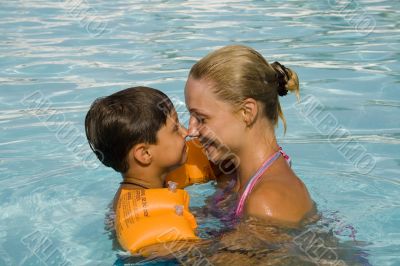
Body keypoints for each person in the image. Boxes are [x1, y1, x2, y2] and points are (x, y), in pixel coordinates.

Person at [185, 45, 315, 227]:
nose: (190, 131)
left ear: (247, 112)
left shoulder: (266, 202)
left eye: (201, 118)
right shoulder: (232, 176)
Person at [85, 86, 201, 256]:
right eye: (175, 129)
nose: (186, 132)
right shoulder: (145, 218)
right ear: (145, 154)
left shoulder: (143, 186)